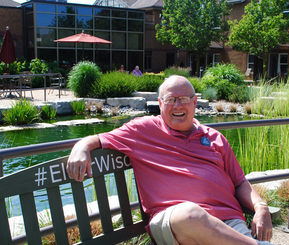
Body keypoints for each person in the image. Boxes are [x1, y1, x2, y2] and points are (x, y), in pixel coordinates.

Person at [66, 75, 274, 245]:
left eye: (183, 98)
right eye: (170, 99)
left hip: (228, 223)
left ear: (194, 102)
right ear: (160, 103)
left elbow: (239, 182)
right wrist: (81, 147)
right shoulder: (142, 129)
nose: (177, 105)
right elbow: (99, 139)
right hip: (174, 222)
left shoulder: (214, 137)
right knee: (190, 214)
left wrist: (261, 207)